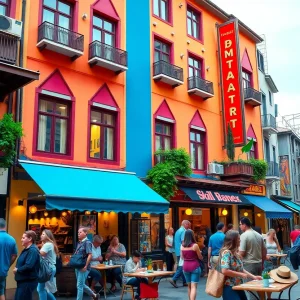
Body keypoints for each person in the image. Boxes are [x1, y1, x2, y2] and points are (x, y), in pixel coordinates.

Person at [221, 230, 262, 300]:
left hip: (238, 286)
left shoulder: (235, 253)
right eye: (238, 239)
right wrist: (240, 275)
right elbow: (224, 271)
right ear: (233, 240)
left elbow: (241, 269)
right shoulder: (226, 253)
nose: (240, 240)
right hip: (229, 287)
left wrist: (254, 277)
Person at [239, 217, 266, 300]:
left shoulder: (244, 235)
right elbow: (264, 250)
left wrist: (235, 255)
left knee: (251, 289)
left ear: (244, 225)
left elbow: (242, 253)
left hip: (249, 264)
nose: (240, 226)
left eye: (240, 224)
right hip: (259, 263)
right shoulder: (259, 235)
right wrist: (262, 262)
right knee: (260, 288)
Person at [13, 230, 40, 300]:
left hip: (27, 282)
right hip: (22, 281)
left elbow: (29, 265)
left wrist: (17, 270)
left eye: (23, 238)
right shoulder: (26, 249)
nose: (21, 239)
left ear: (30, 239)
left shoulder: (33, 250)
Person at [74, 227, 98, 300]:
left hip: (83, 266)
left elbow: (90, 255)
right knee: (81, 285)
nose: (78, 234)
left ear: (85, 233)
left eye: (80, 232)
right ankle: (94, 295)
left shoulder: (87, 242)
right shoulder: (79, 242)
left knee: (79, 285)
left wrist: (86, 266)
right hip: (78, 266)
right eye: (78, 232)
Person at [181, 230, 202, 300]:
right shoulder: (195, 245)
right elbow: (200, 257)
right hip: (194, 266)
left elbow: (182, 257)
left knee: (189, 286)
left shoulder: (182, 246)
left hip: (185, 266)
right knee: (194, 286)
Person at [37, 229, 58, 300]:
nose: (41, 236)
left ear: (48, 236)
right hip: (50, 268)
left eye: (43, 234)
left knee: (41, 289)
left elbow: (39, 254)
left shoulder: (47, 244)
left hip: (47, 269)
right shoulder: (51, 244)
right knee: (45, 289)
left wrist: (34, 248)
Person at [169, 220, 191, 288]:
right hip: (182, 251)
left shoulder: (178, 231)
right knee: (182, 266)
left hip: (177, 250)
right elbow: (183, 242)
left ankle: (185, 281)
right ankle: (174, 279)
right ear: (185, 224)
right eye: (188, 225)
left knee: (181, 265)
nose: (189, 227)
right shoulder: (183, 231)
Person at [0, 218, 18, 300]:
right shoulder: (12, 239)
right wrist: (7, 265)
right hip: (3, 270)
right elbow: (14, 255)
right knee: (1, 292)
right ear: (5, 226)